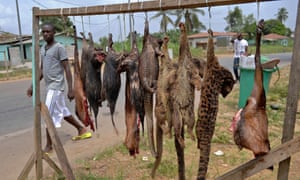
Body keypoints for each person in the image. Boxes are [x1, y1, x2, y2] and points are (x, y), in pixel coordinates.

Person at [27, 23, 91, 153]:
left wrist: (71, 88)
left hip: (56, 86)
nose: (45, 34)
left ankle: (49, 146)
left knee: (48, 114)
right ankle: (81, 129)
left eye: (48, 32)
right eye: (43, 32)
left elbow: (67, 68)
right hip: (49, 85)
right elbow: (41, 70)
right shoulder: (43, 48)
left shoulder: (59, 48)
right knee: (63, 111)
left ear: (54, 33)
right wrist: (33, 85)